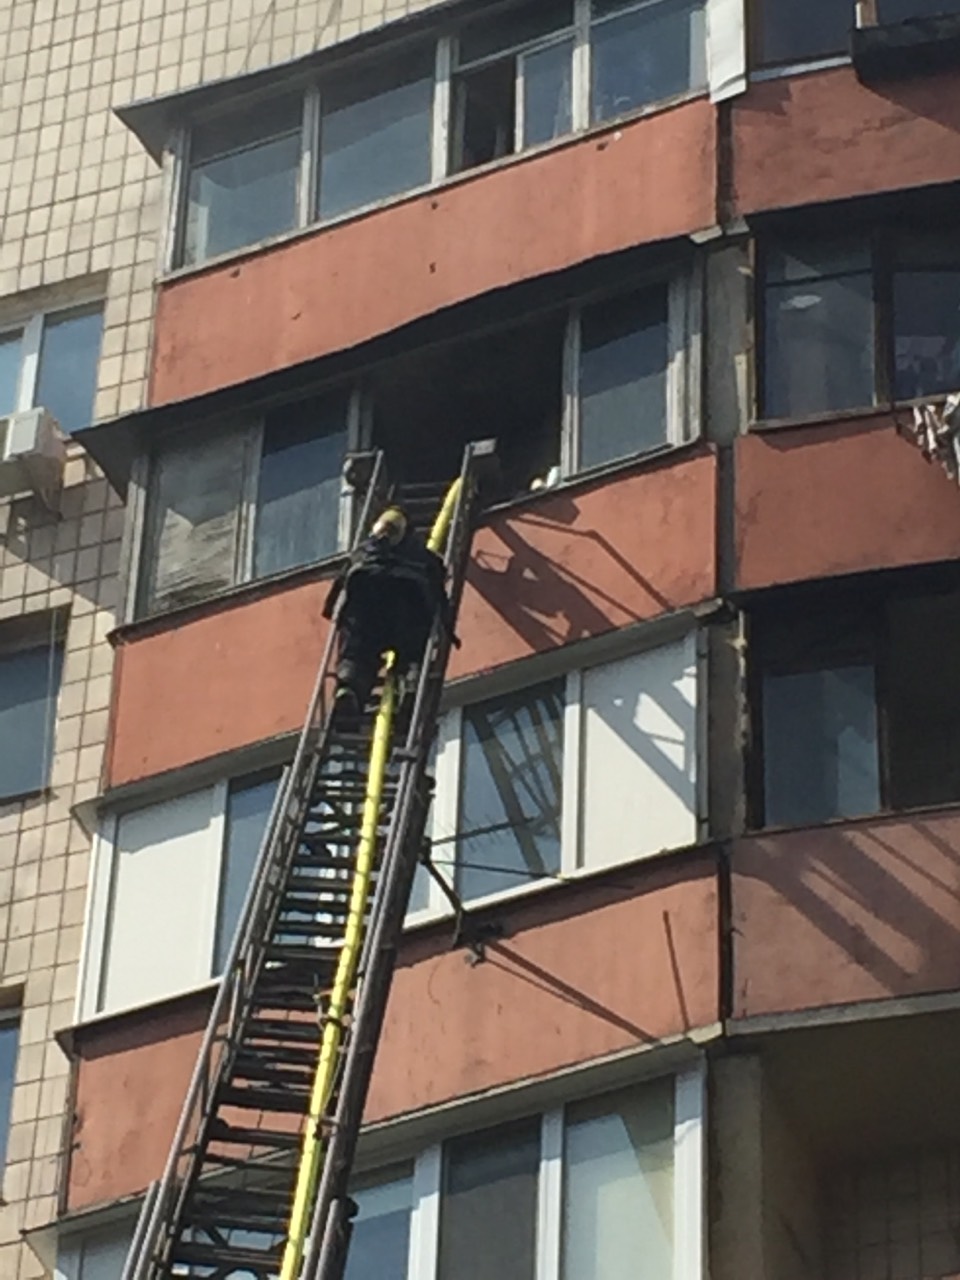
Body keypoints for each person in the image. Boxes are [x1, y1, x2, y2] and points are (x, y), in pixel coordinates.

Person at [323, 505, 456, 727]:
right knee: (412, 651)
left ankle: (348, 688)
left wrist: (331, 612)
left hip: (367, 618)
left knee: (358, 654)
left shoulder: (361, 553)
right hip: (407, 616)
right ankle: (410, 684)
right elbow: (439, 594)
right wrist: (448, 628)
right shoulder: (425, 558)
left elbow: (339, 587)